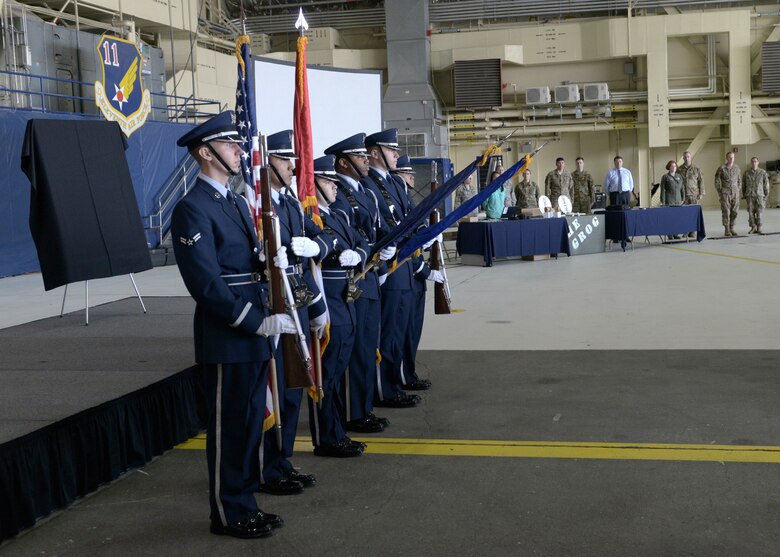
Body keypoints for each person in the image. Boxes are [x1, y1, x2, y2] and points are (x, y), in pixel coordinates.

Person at [171, 111, 294, 539]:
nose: (240, 152)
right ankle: (227, 514)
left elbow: (244, 263)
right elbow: (205, 283)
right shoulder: (191, 209)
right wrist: (256, 321)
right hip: (230, 332)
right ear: (206, 153)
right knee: (227, 430)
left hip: (257, 328)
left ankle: (245, 503)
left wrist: (268, 260)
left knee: (247, 424)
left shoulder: (237, 201)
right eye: (230, 146)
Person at [257, 130, 331, 496]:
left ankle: (282, 461)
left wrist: (315, 305)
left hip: (296, 301)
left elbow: (310, 255)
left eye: (292, 160)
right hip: (273, 305)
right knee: (275, 384)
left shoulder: (288, 204)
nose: (292, 167)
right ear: (268, 163)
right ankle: (268, 468)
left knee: (293, 386)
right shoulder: (256, 204)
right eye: (285, 160)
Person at [307, 155, 370, 457]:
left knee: (339, 367)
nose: (334, 186)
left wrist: (358, 253)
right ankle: (326, 437)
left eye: (334, 181)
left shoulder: (337, 216)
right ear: (314, 182)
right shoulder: (310, 218)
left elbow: (363, 242)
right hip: (328, 297)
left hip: (346, 297)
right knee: (327, 372)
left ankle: (337, 430)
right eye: (328, 181)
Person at [392, 154, 443, 393]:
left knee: (412, 331)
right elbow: (404, 241)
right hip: (405, 274)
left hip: (414, 274)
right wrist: (423, 270)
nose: (412, 177)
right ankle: (402, 377)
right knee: (401, 334)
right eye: (407, 173)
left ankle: (408, 374)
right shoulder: (395, 200)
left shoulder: (407, 200)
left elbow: (417, 230)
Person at [678, 151, 705, 237]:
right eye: (685, 157)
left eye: (688, 157)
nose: (686, 158)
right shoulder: (679, 169)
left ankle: (693, 231)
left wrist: (701, 193)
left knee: (693, 214)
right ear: (683, 158)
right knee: (684, 214)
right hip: (683, 195)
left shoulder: (696, 169)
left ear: (691, 157)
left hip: (693, 195)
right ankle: (685, 231)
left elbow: (701, 181)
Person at [714, 151, 741, 236]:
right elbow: (717, 181)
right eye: (729, 157)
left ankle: (732, 227)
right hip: (725, 193)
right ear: (726, 158)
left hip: (735, 193)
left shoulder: (737, 168)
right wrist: (720, 191)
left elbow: (739, 180)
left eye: (732, 157)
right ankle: (727, 229)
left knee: (735, 211)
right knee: (726, 211)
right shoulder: (721, 168)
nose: (731, 159)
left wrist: (738, 190)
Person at [742, 156, 770, 234]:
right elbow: (743, 184)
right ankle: (753, 227)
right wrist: (744, 194)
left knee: (759, 212)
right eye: (752, 161)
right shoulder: (746, 173)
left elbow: (766, 184)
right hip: (750, 195)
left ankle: (759, 227)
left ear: (758, 162)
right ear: (751, 163)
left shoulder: (763, 172)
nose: (754, 163)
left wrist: (766, 194)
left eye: (755, 161)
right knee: (751, 212)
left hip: (760, 195)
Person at [660, 160, 685, 239]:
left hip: (678, 200)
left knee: (677, 218)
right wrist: (663, 201)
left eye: (675, 166)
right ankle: (670, 234)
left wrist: (683, 198)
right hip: (669, 200)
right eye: (672, 166)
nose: (674, 168)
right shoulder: (665, 177)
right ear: (669, 167)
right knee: (669, 218)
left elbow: (682, 188)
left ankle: (676, 234)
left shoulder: (679, 176)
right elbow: (662, 190)